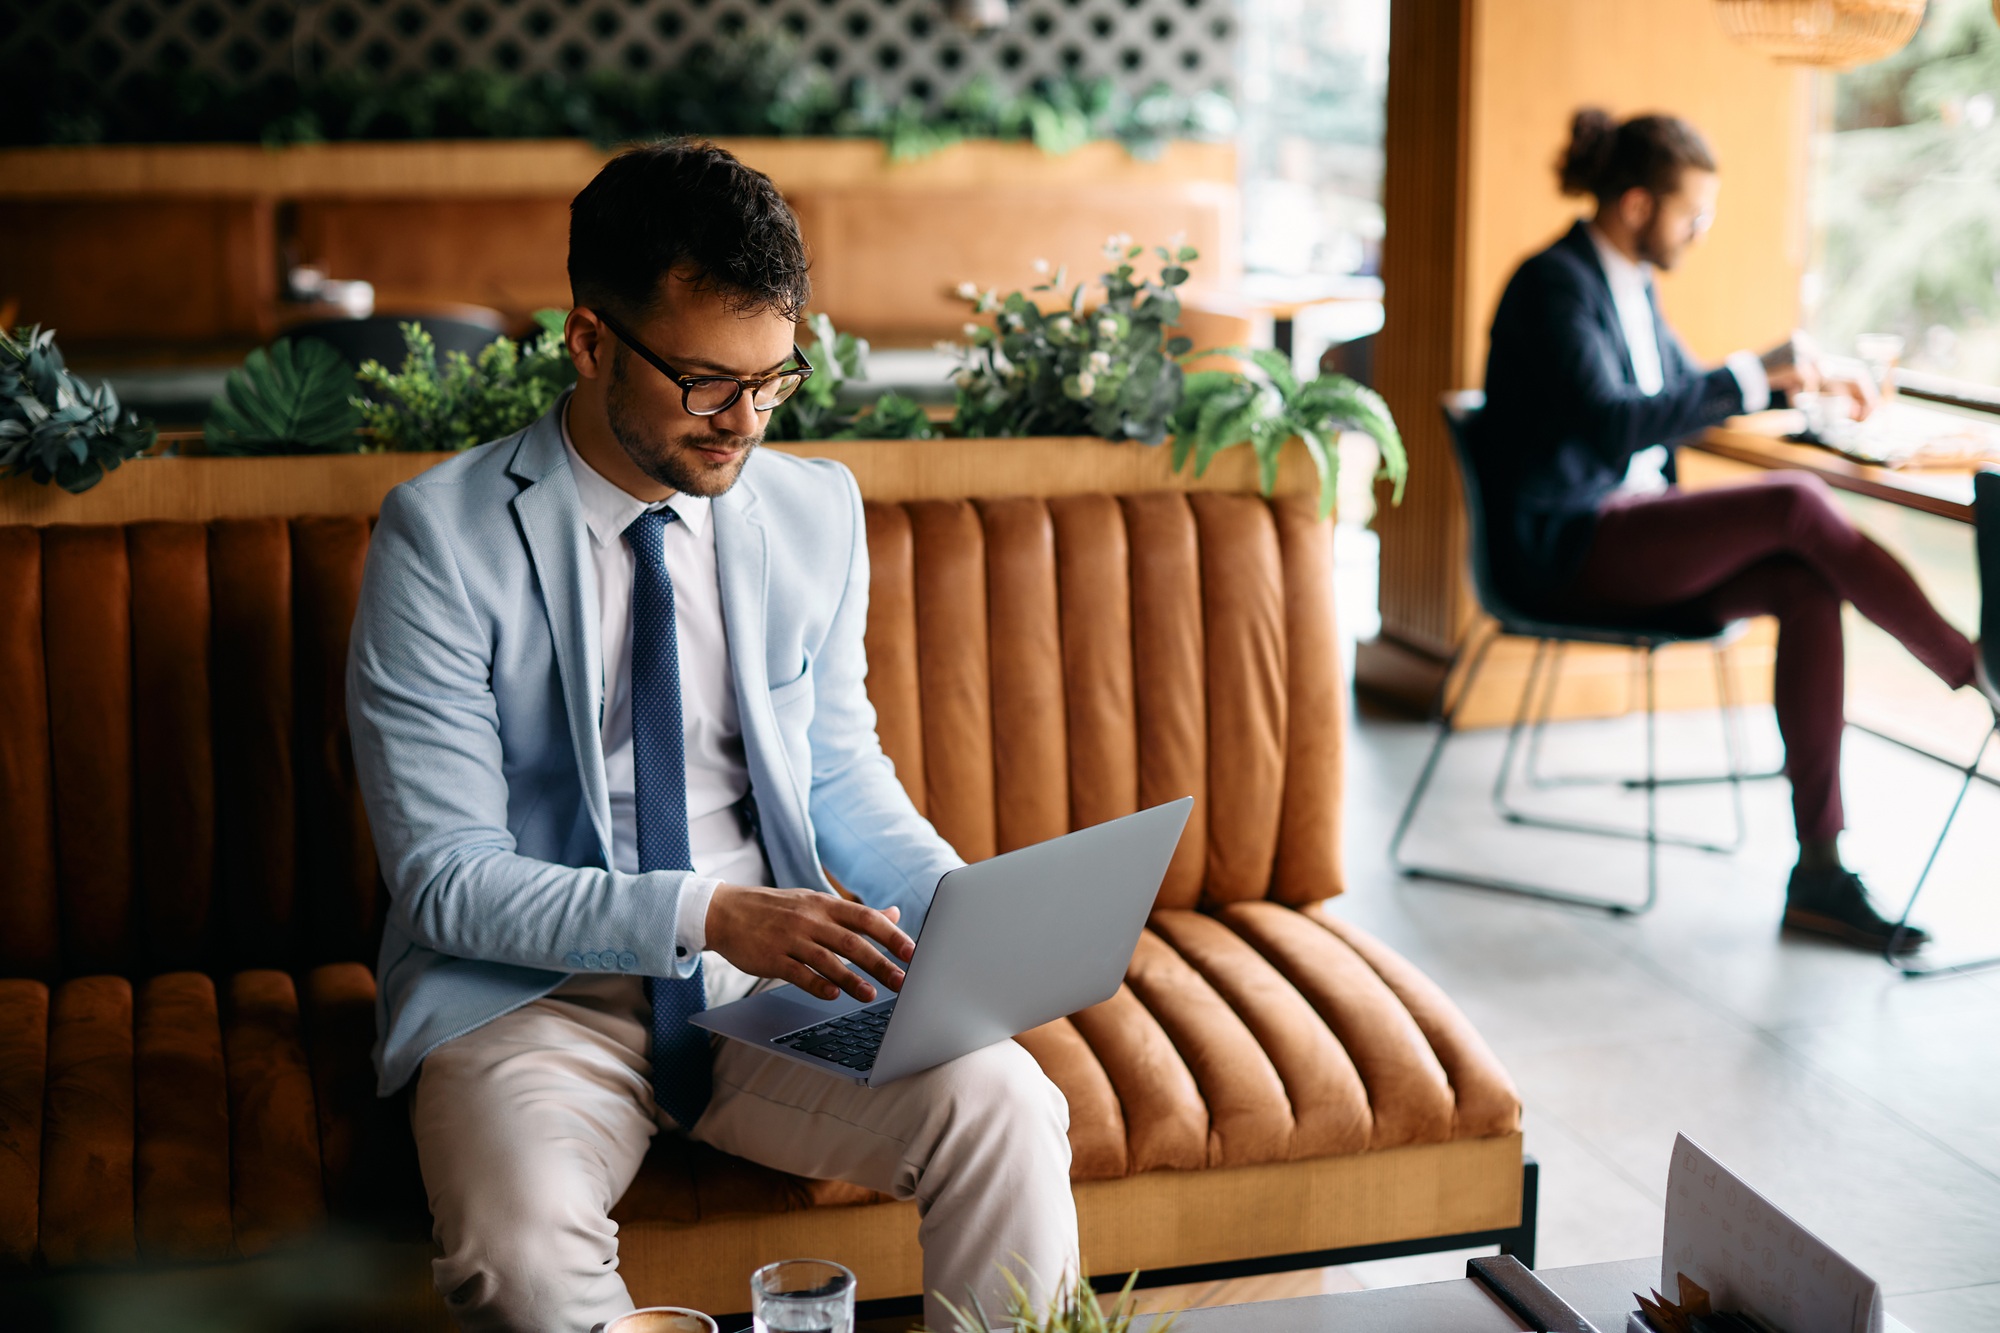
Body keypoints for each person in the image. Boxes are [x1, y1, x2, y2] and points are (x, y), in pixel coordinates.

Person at [346, 140, 1077, 1333]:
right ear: (588, 341)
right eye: (704, 385)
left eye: (772, 380)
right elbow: (444, 882)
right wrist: (713, 914)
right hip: (533, 1000)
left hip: (767, 985)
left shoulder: (812, 510)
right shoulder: (438, 538)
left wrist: (962, 917)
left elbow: (838, 766)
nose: (743, 423)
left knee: (1002, 1102)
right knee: (518, 1256)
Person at [1470, 108, 2000, 952]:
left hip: (1624, 532)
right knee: (1793, 505)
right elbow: (1616, 424)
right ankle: (1973, 665)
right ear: (1639, 205)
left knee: (1805, 580)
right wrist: (1756, 369)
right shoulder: (1554, 284)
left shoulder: (1630, 284)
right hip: (1566, 549)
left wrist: (1795, 386)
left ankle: (1819, 871)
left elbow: (1679, 397)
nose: (1701, 232)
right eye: (1694, 215)